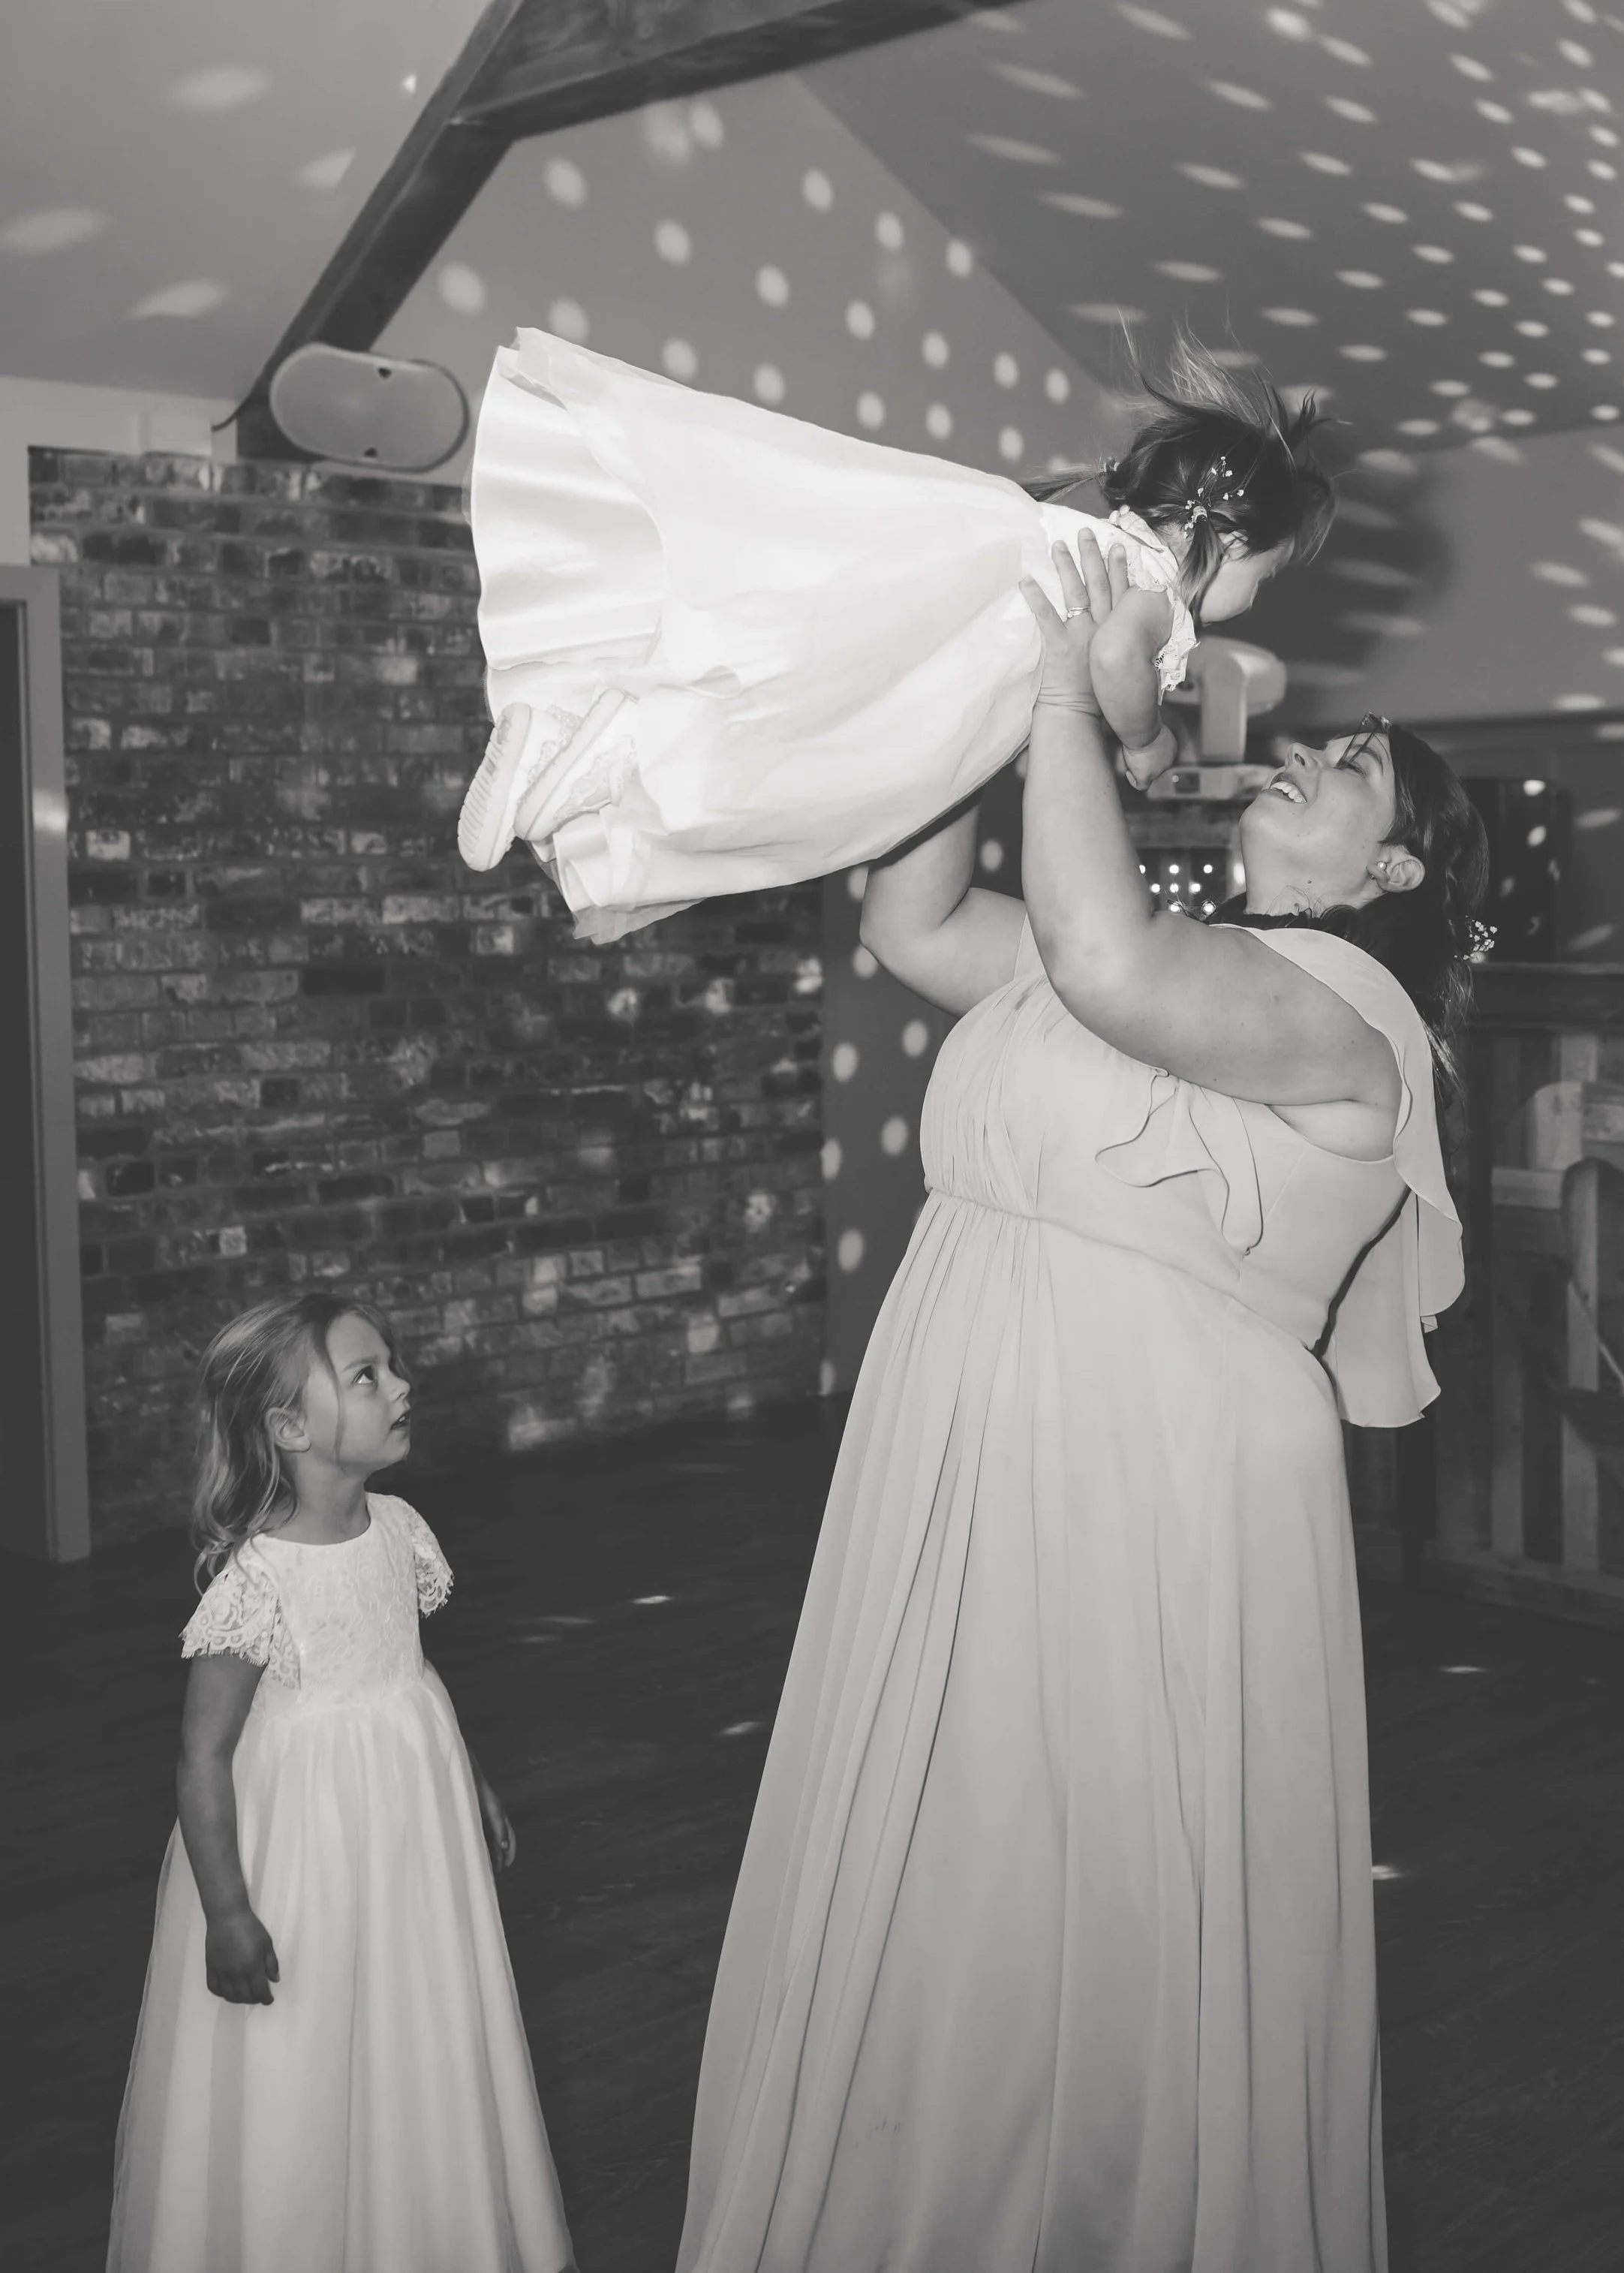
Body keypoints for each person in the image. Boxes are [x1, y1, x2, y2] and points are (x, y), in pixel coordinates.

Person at [672, 531, 1489, 2273]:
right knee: (963, 1837)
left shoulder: (1358, 1011)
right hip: (979, 1402)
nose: (1299, 753)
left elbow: (1107, 958)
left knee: (1099, 1860)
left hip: (1150, 1455)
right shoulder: (1134, 944)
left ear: (1396, 862)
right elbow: (906, 919)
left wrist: (1064, 692)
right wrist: (991, 693)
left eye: (1346, 769)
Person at [455, 328, 1332, 938]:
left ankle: (575, 745)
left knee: (781, 679)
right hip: (940, 687)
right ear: (1231, 540)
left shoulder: (1085, 525)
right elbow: (1108, 657)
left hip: (923, 638)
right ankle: (592, 775)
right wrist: (1149, 741)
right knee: (815, 766)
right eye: (1268, 576)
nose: (1256, 600)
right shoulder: (1150, 594)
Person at [108, 1292, 574, 2273]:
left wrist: (474, 1780)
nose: (401, 1385)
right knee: (313, 2033)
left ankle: (418, 2217)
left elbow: (406, 1669)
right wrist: (228, 1911)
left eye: (392, 1366)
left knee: (414, 2012)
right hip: (307, 1849)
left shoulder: (399, 1529)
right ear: (289, 1429)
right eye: (367, 1375)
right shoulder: (259, 1580)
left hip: (410, 1822)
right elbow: (201, 1756)